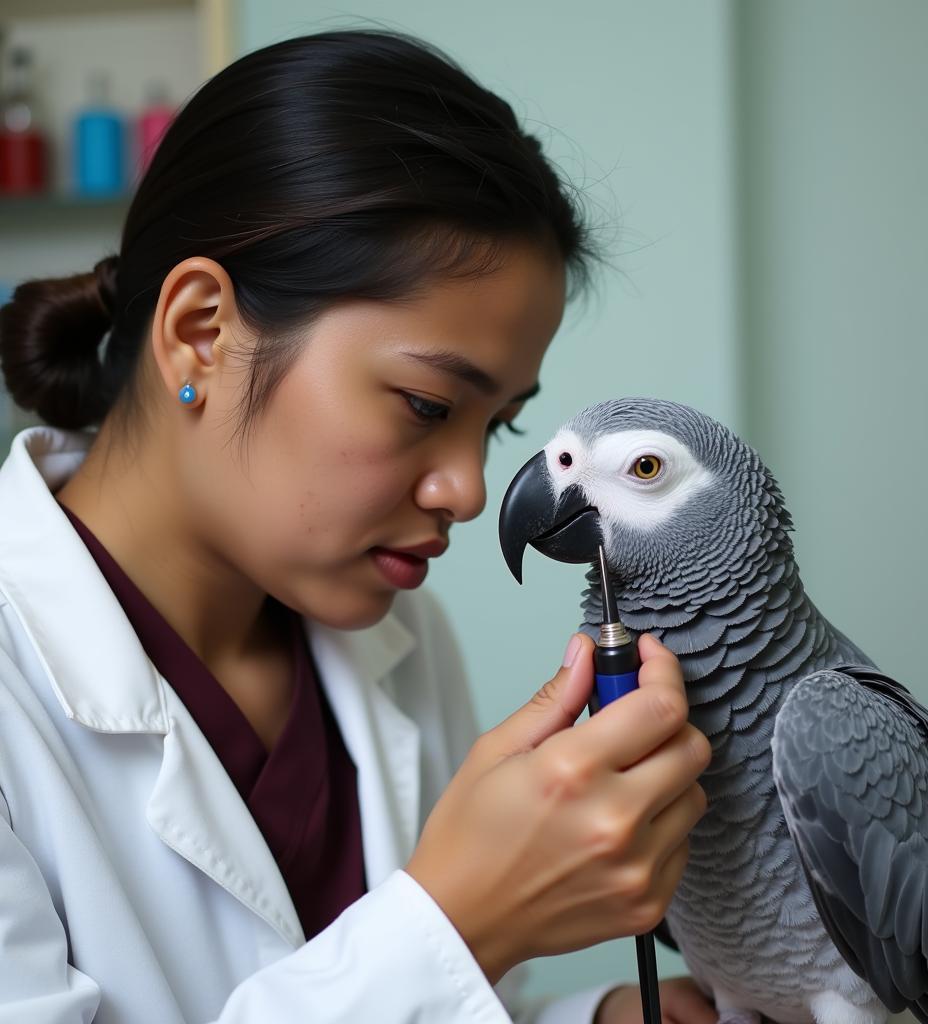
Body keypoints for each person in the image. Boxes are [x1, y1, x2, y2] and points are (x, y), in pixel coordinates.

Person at [0, 30, 713, 1024]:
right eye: (426, 404)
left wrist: (594, 1018)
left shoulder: (400, 635)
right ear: (201, 329)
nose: (468, 491)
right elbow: (425, 968)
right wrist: (462, 921)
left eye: (495, 423)